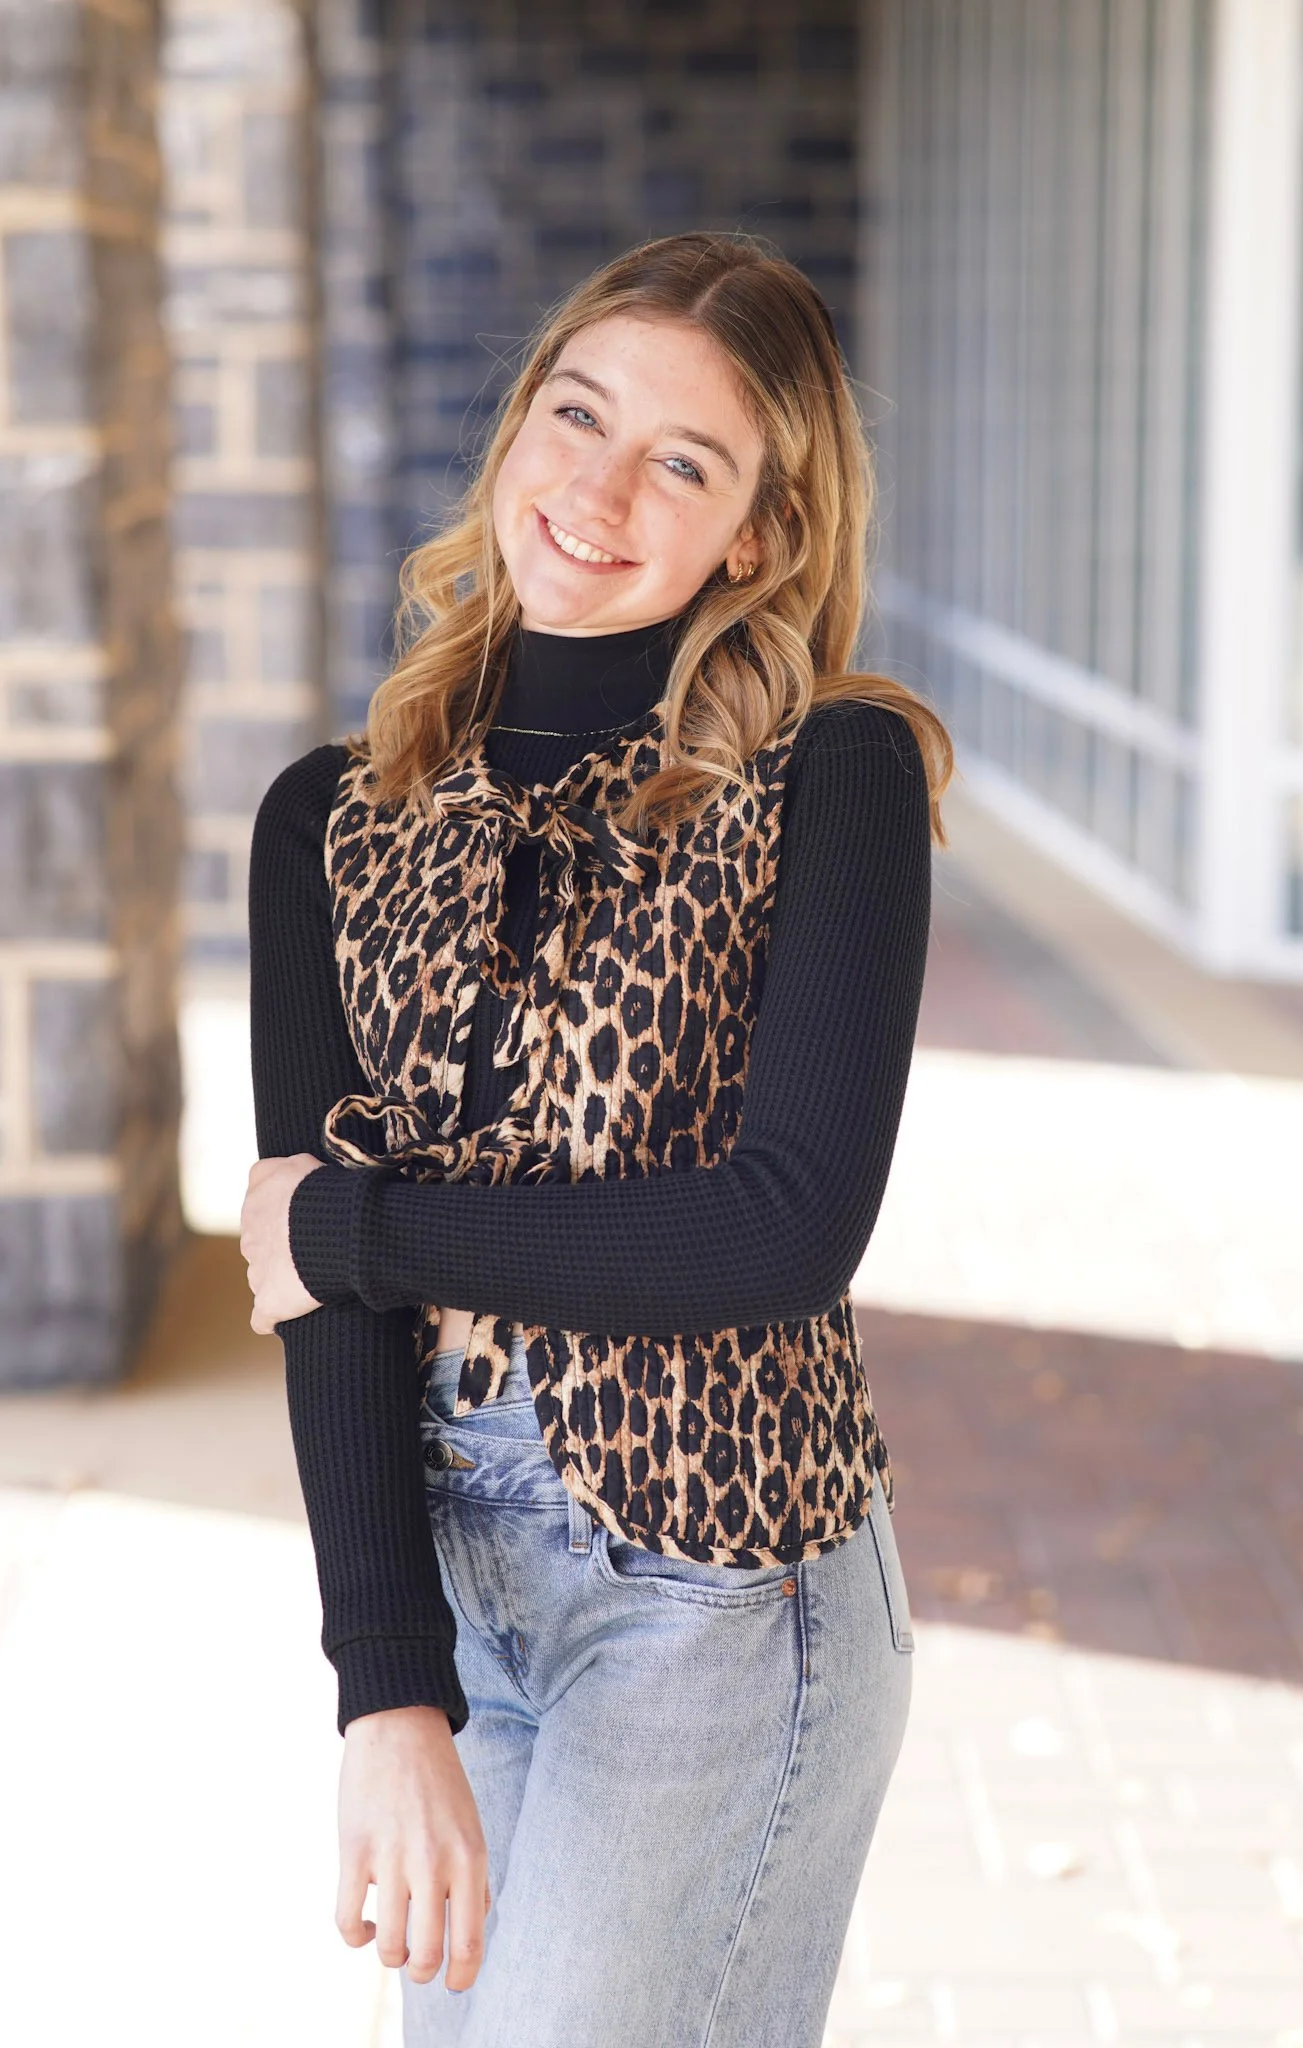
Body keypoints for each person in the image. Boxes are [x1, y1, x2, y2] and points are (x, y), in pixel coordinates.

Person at [240, 229, 952, 2048]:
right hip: (457, 1581)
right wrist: (384, 1687)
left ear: (761, 537)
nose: (601, 487)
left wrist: (361, 1230)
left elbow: (777, 1230)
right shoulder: (328, 819)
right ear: (516, 426)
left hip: (719, 1587)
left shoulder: (829, 779)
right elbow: (313, 1292)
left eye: (687, 462)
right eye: (579, 413)